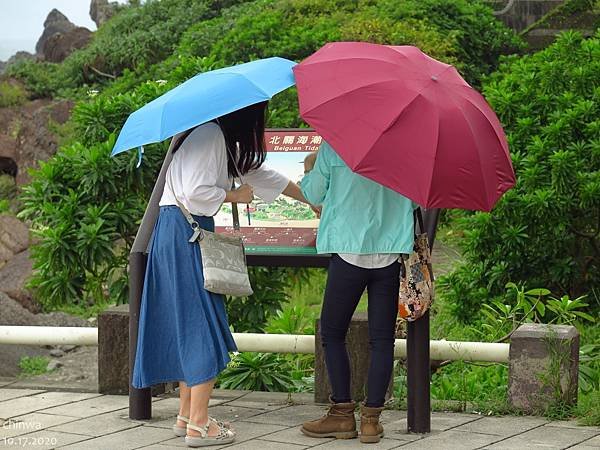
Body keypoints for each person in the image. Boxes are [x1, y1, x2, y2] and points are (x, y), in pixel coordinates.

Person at [131, 101, 311, 448]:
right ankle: (200, 425)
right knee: (202, 328)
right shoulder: (211, 134)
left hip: (174, 232)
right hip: (188, 235)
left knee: (187, 324)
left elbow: (262, 176)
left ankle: (186, 415)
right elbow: (198, 194)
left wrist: (309, 200)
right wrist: (234, 195)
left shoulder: (207, 135)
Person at [299, 140, 417, 444]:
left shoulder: (336, 145)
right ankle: (370, 421)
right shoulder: (406, 149)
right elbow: (415, 202)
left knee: (333, 334)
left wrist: (311, 166)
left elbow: (312, 193)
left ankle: (341, 415)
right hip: (389, 253)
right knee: (382, 340)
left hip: (348, 253)